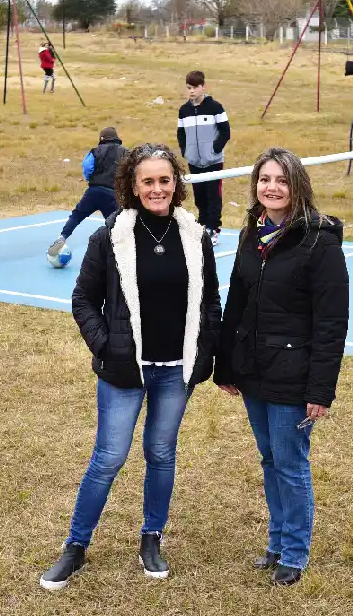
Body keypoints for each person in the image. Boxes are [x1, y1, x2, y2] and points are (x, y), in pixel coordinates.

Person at [40, 143, 222, 591]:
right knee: (108, 458)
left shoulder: (195, 237)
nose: (158, 188)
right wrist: (107, 347)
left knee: (161, 454)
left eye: (165, 180)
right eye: (148, 181)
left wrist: (204, 353)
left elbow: (211, 302)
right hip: (125, 371)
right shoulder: (110, 235)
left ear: (176, 184)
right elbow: (83, 299)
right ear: (132, 186)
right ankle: (76, 547)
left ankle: (152, 537)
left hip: (175, 371)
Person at [214, 148, 349, 586]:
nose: (271, 187)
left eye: (281, 180)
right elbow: (236, 301)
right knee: (270, 458)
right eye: (265, 179)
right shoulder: (250, 237)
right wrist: (225, 365)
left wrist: (319, 390)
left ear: (297, 187)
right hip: (253, 370)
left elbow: (331, 323)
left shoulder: (319, 242)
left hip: (293, 376)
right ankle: (276, 542)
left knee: (291, 464)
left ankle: (295, 550)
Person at [47, 127, 127, 258]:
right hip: (112, 194)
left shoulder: (95, 151)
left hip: (93, 191)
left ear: (102, 139)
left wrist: (92, 179)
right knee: (116, 223)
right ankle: (119, 251)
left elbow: (87, 166)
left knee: (77, 215)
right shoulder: (125, 152)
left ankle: (63, 236)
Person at [176, 70, 229, 245]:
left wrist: (214, 149)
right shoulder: (184, 111)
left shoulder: (216, 108)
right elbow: (181, 133)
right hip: (194, 162)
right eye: (188, 87)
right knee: (200, 196)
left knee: (213, 196)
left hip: (213, 161)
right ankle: (203, 225)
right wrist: (186, 151)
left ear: (203, 87)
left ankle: (214, 229)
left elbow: (225, 132)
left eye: (195, 87)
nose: (191, 91)